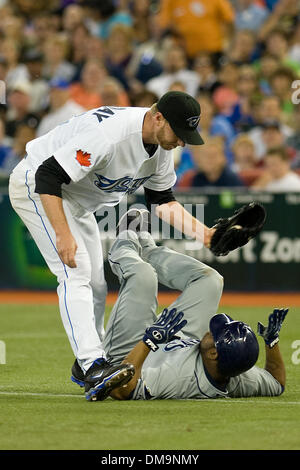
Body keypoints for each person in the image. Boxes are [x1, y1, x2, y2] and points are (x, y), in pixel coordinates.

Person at [8, 90, 216, 402]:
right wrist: (62, 234)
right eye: (180, 132)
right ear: (158, 117)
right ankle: (93, 365)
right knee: (75, 272)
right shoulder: (111, 136)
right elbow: (48, 175)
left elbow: (162, 201)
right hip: (37, 187)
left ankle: (87, 365)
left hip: (74, 199)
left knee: (96, 284)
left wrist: (206, 235)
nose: (182, 142)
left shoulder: (159, 147)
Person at [74, 208, 288, 401]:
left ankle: (125, 240)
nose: (212, 329)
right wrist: (272, 342)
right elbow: (276, 382)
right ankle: (148, 250)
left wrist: (149, 340)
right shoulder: (238, 375)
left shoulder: (178, 378)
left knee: (143, 276)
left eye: (216, 333)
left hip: (130, 355)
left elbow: (122, 389)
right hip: (180, 340)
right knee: (210, 281)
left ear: (214, 354)